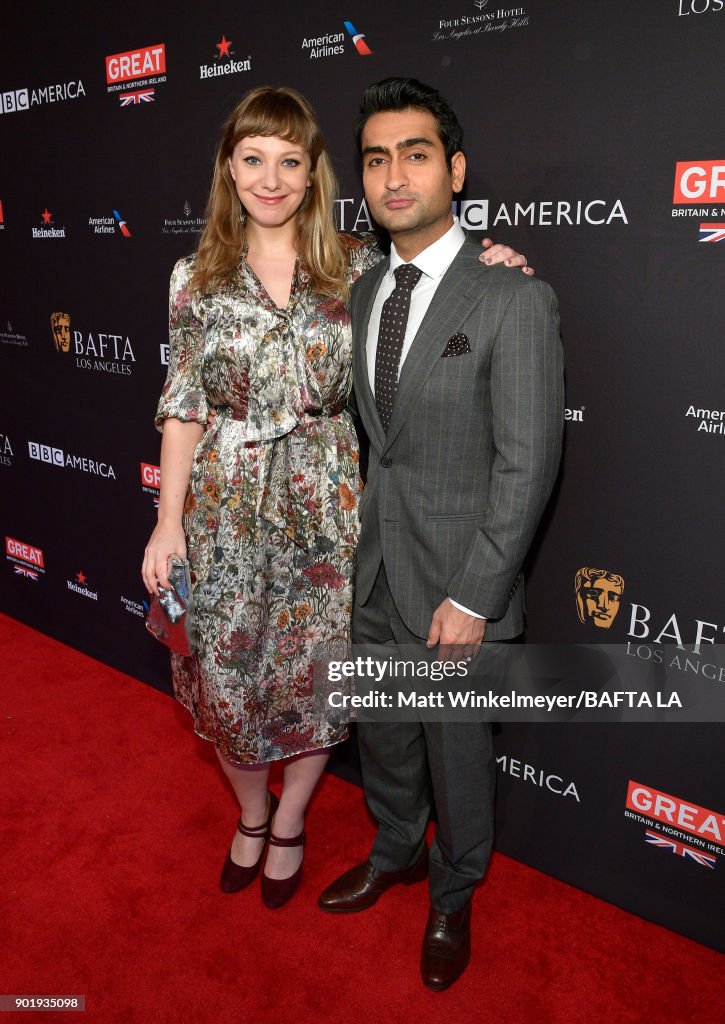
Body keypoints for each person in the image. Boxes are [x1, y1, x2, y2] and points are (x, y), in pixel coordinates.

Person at [142, 85, 529, 911]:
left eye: (290, 161)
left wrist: (495, 262)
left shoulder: (355, 264)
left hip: (331, 513)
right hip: (224, 508)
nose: (270, 179)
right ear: (229, 169)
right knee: (228, 678)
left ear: (314, 174)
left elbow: (439, 287)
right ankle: (252, 816)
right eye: (253, 160)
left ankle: (292, 820)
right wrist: (166, 523)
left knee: (319, 680)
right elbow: (181, 405)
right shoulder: (194, 275)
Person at [318, 78, 564, 990]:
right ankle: (395, 851)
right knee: (383, 736)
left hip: (460, 586)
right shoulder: (360, 287)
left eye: (414, 154)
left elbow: (527, 462)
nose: (394, 175)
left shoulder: (511, 297)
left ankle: (454, 890)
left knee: (459, 761)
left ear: (454, 169)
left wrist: (476, 595)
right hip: (373, 571)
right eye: (376, 159)